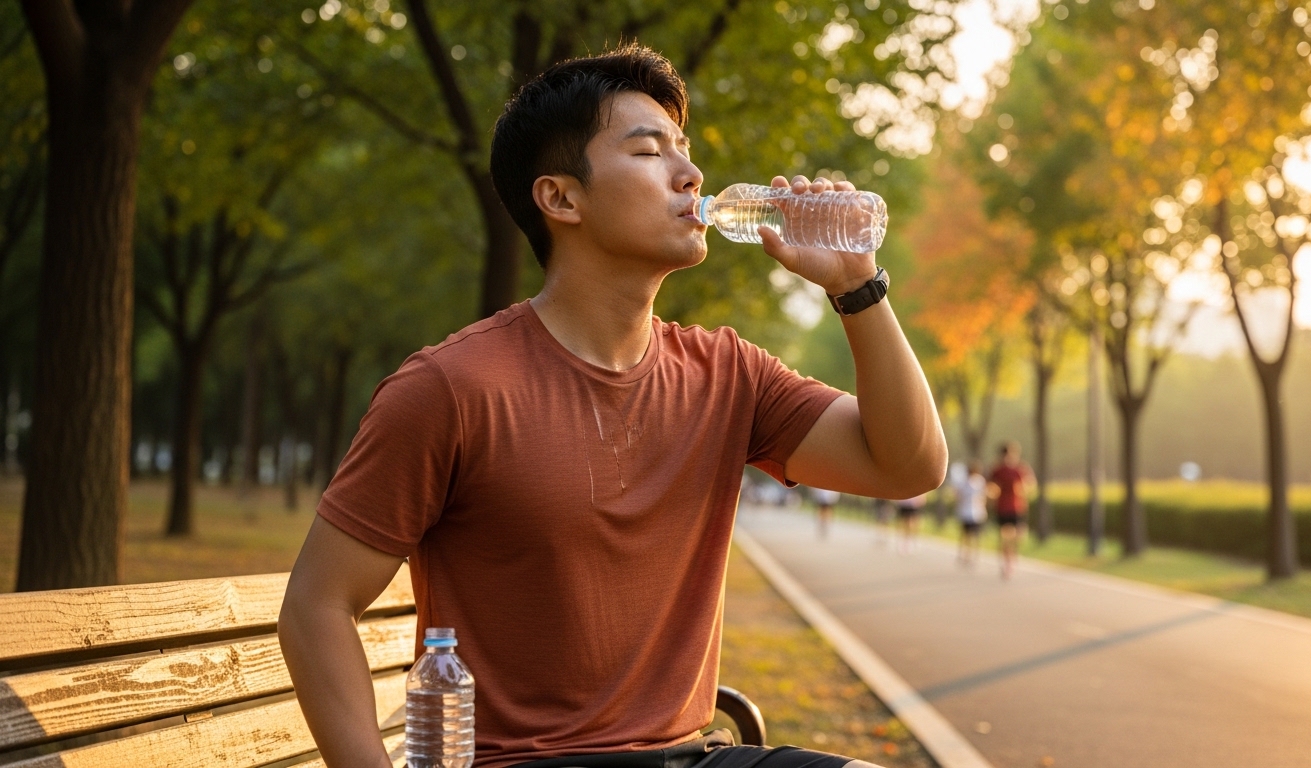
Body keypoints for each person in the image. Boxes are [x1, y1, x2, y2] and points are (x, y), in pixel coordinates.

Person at [277, 44, 947, 768]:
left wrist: (858, 286)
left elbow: (907, 465)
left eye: (684, 151)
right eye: (650, 151)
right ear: (560, 198)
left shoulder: (728, 373)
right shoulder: (451, 389)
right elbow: (317, 609)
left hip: (694, 756)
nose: (691, 175)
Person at [988, 442, 1035, 580]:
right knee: (1005, 537)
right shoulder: (997, 470)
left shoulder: (1020, 469)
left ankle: (1011, 557)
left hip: (1018, 507)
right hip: (1002, 507)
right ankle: (1007, 562)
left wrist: (1023, 489)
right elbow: (990, 487)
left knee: (1018, 536)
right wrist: (992, 495)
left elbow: (1030, 485)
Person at [951, 461, 987, 567]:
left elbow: (983, 496)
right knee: (966, 535)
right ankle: (965, 554)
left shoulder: (979, 481)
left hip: (975, 512)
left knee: (974, 535)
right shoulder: (965, 482)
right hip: (967, 512)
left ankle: (972, 555)